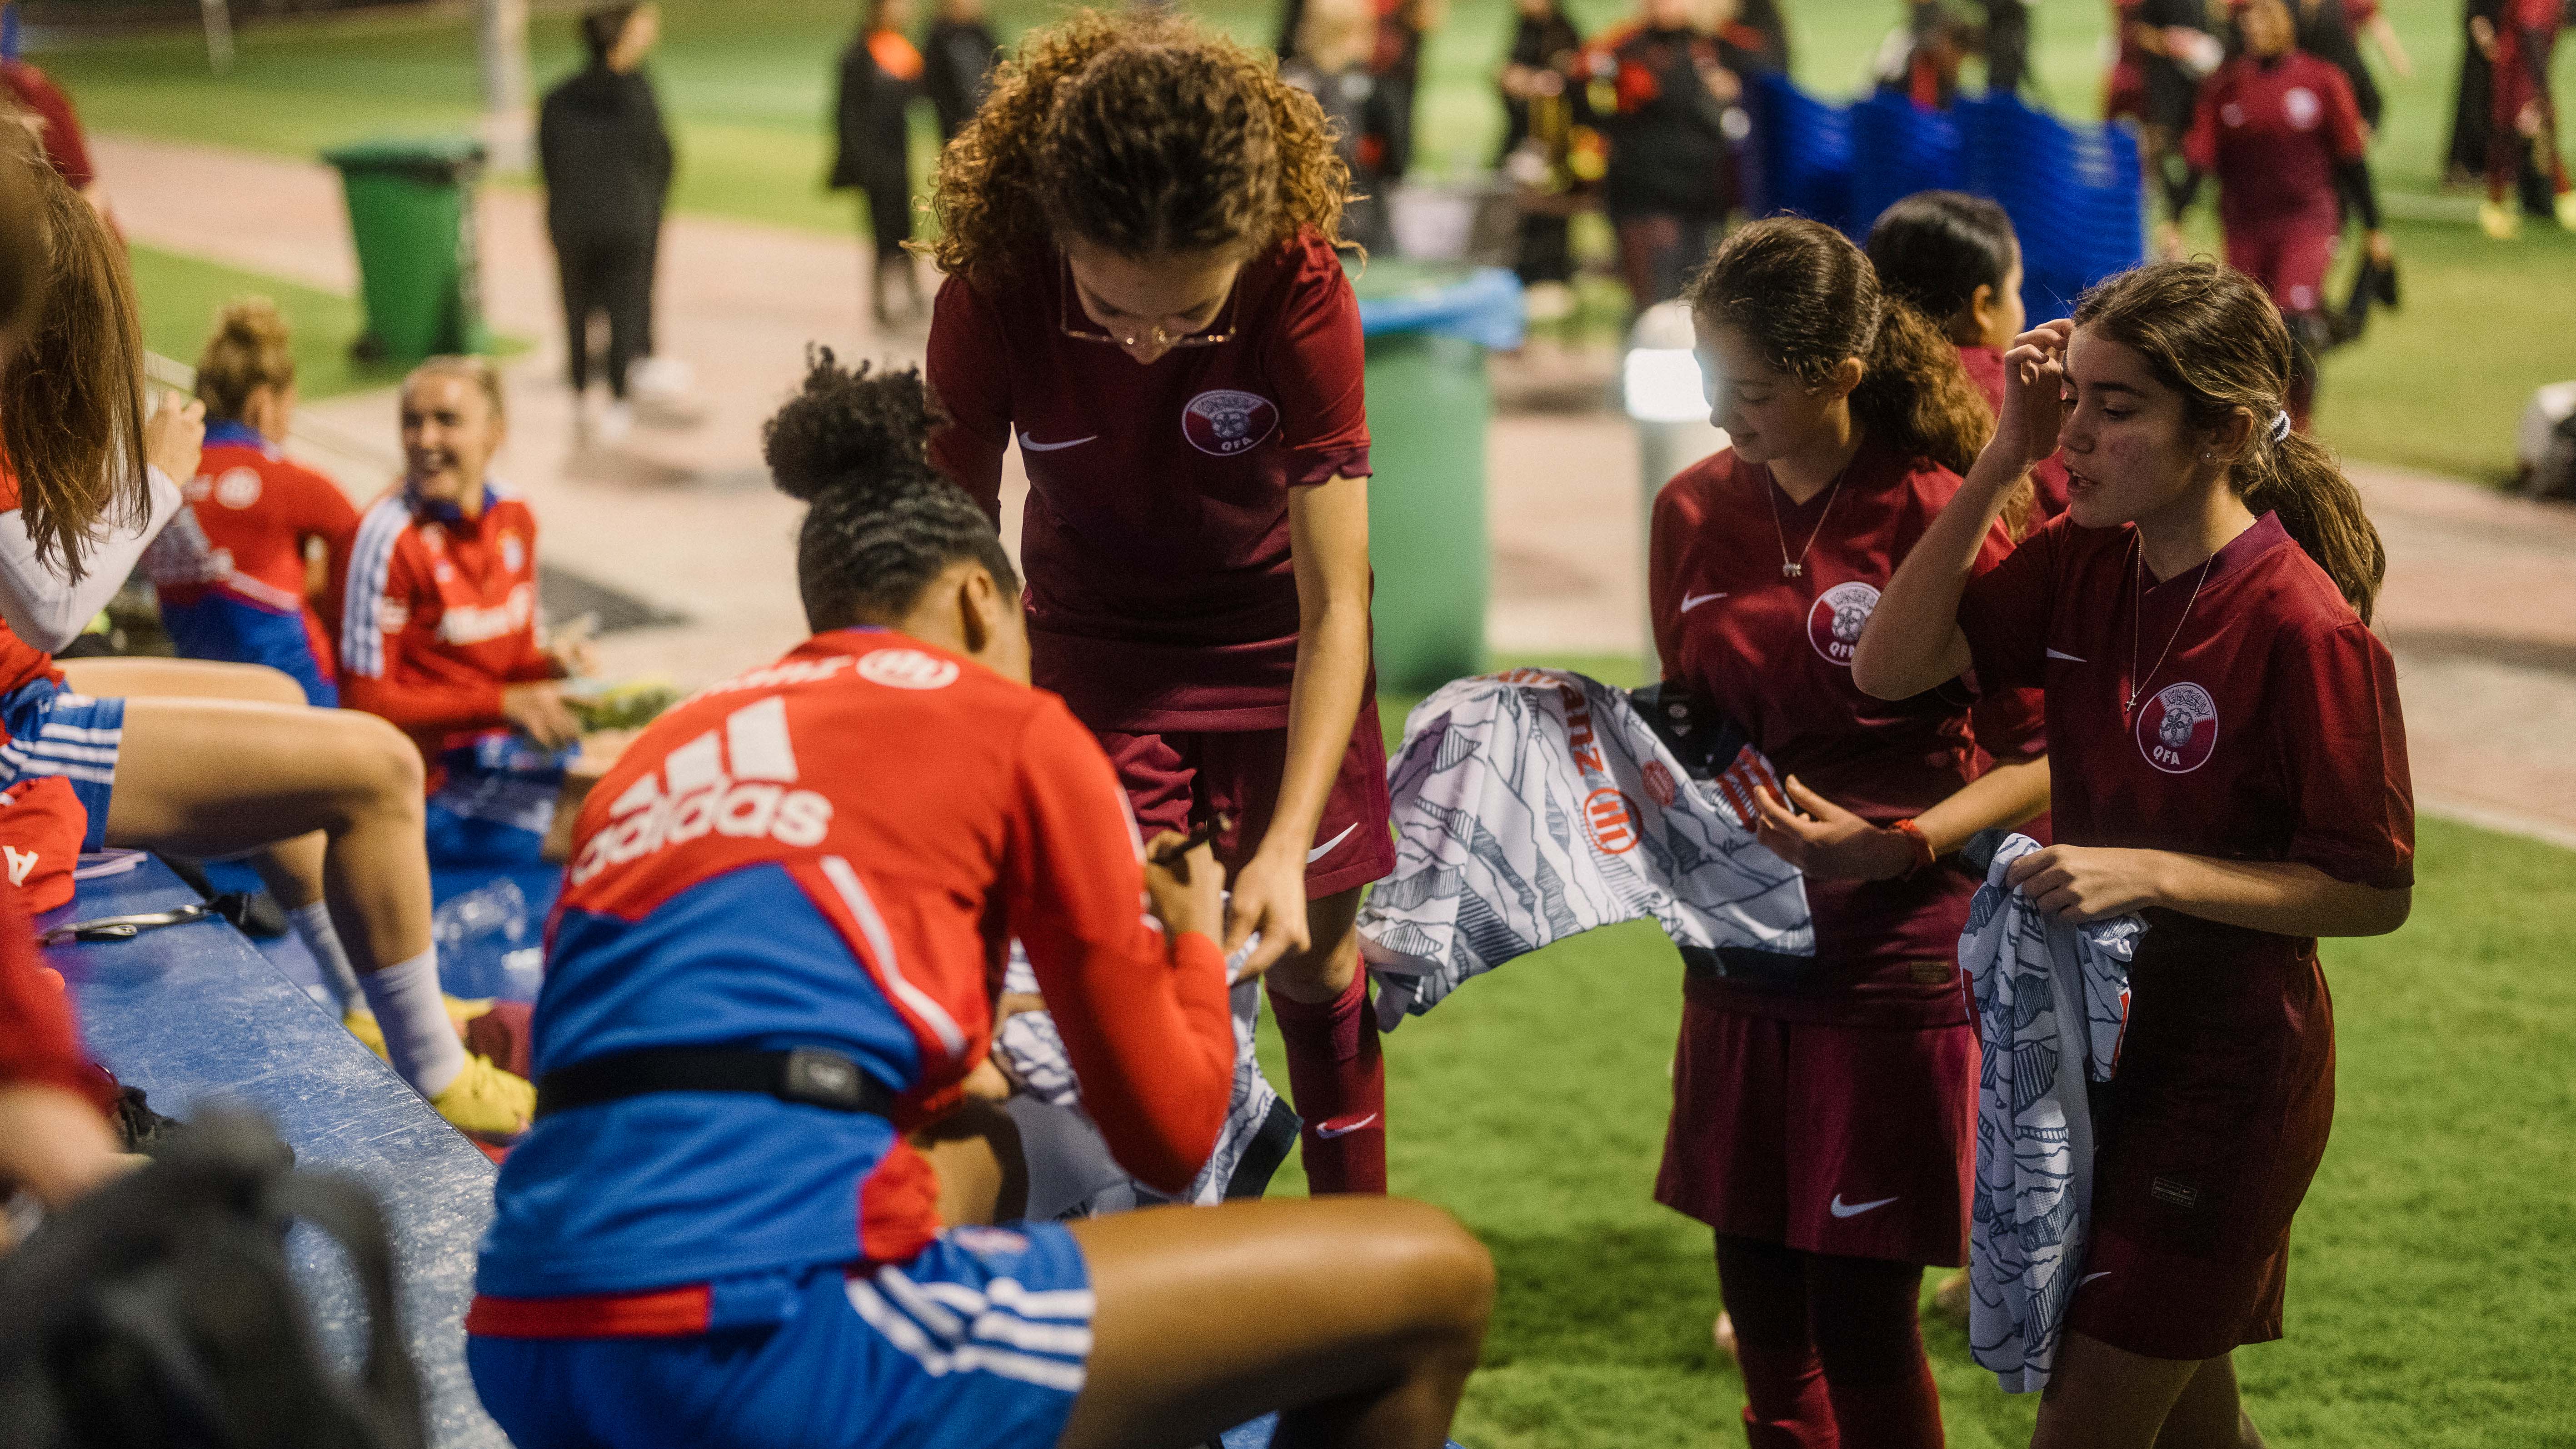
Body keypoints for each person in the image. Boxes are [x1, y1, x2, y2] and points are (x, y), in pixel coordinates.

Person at [464, 354, 1493, 1449]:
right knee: (1430, 1284)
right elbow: (1170, 1135)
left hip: (527, 1325)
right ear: (975, 600)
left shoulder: (663, 749)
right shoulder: (1014, 728)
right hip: (766, 1338)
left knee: (983, 1135)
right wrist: (1191, 944)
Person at [1854, 259, 2414, 1449]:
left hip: (2224, 1082)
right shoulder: (2083, 559)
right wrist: (2000, 456)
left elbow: (2373, 892)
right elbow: (1888, 668)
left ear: (2217, 429)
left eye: (2116, 411)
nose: (2080, 438)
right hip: (2091, 1054)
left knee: (2092, 1424)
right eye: (2073, 403)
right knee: (2193, 1426)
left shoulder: (2302, 627)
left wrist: (2150, 872)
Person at [924, 10, 1397, 1196]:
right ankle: (1158, 1289)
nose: (1145, 343)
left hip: (1284, 652)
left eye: (1190, 316)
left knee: (1313, 966)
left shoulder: (1299, 281)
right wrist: (991, 762)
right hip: (1092, 660)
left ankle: (1355, 1280)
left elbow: (1342, 597)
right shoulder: (993, 288)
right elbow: (953, 570)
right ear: (1057, 233)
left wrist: (1286, 843)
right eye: (1111, 305)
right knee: (1126, 973)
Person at [0, 137, 530, 1137]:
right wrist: (153, 480)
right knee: (375, 766)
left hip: (25, 686)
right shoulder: (306, 487)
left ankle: (368, 1001)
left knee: (285, 710)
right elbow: (49, 603)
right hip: (12, 729)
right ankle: (430, 1062)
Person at [1650, 217, 2051, 1449]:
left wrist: (1907, 840)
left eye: (1750, 392)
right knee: (1761, 1307)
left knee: (1860, 1321)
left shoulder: (1940, 505)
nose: (1722, 417)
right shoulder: (1688, 508)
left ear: (1836, 373)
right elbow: (1693, 716)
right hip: (1736, 954)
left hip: (1892, 958)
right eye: (1709, 384)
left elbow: (2046, 752)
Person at [336, 356, 595, 872]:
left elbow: (512, 659)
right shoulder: (387, 537)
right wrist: (504, 703)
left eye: (447, 421)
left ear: (493, 435)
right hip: (426, 783)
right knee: (596, 825)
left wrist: (550, 667)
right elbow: (366, 704)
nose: (424, 438)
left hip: (496, 753)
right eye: (412, 421)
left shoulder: (515, 516)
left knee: (642, 779)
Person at [2162, 0, 2389, 426]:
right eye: (2248, 16)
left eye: (2266, 14)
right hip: (2245, 228)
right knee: (2250, 333)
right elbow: (2198, 161)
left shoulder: (2324, 81)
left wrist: (2376, 229)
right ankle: (2254, 429)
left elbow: (2352, 161)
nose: (2254, 24)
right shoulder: (2224, 88)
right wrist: (2174, 220)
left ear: (2290, 22)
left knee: (2293, 327)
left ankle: (2295, 434)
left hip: (2307, 223)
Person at [140, 299, 359, 707]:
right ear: (264, 404)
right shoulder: (288, 482)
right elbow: (365, 547)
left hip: (203, 709)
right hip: (304, 705)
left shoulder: (156, 482)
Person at [539, 2, 674, 449]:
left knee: (576, 311)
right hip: (626, 222)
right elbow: (660, 158)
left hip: (572, 223)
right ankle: (618, 400)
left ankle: (580, 396)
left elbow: (549, 164)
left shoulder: (556, 97)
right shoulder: (638, 93)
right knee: (624, 310)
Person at [1585, 0, 1751, 311]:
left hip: (1699, 193)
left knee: (1699, 291)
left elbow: (1763, 75)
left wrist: (1730, 88)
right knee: (1651, 298)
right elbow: (1584, 83)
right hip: (1641, 191)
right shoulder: (1624, 48)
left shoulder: (1716, 46)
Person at [832, 0, 927, 328]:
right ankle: (881, 303)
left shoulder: (900, 49)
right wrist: (856, 161)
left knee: (904, 226)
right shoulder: (859, 53)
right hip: (874, 160)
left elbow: (921, 95)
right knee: (881, 232)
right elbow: (846, 113)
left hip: (899, 156)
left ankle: (912, 295)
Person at [1284, 0, 1400, 255]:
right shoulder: (1371, 90)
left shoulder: (1290, 85)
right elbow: (1398, 158)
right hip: (1363, 227)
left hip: (1303, 226)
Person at [1497, 0, 1592, 300]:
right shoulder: (1523, 29)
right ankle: (1524, 274)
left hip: (1553, 145)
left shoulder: (1564, 31)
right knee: (1520, 210)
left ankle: (1553, 274)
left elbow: (1572, 79)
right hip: (1523, 138)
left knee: (1551, 207)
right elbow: (1506, 75)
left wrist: (1534, 82)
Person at [2106, 0, 2224, 225]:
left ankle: (2176, 214)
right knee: (2156, 146)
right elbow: (2136, 30)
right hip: (2164, 85)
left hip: (2200, 87)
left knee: (2199, 152)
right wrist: (2169, 43)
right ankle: (2145, 211)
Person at [2471, 0, 2575, 236]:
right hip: (2518, 69)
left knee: (2541, 131)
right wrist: (2542, 90)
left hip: (2524, 65)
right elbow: (2531, 32)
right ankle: (2495, 208)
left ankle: (2562, 197)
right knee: (2510, 135)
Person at [921, 0, 1000, 142]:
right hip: (959, 130)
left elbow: (1001, 69)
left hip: (992, 120)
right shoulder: (939, 39)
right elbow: (935, 89)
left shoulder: (981, 34)